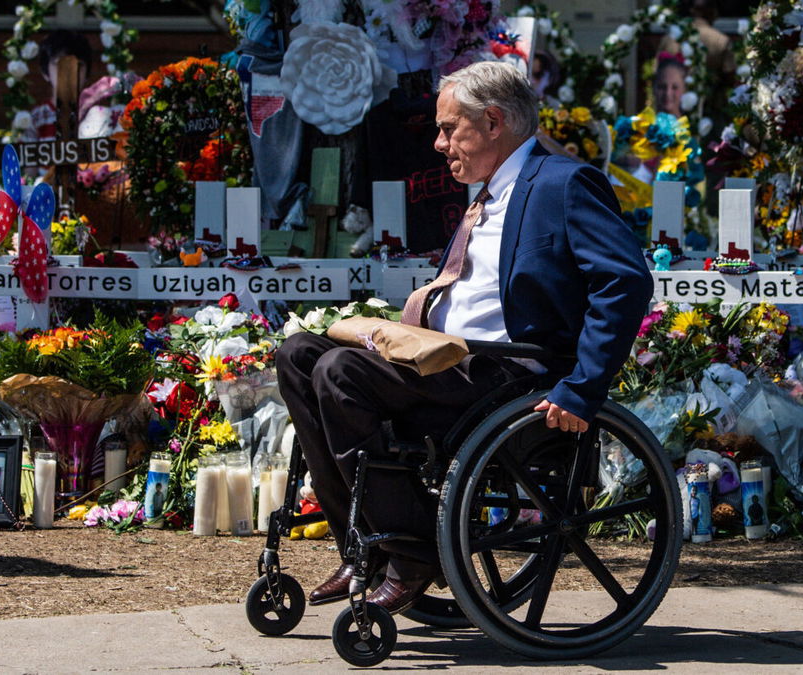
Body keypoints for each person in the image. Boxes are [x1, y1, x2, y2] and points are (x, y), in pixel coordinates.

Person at [277, 61, 652, 615]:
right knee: (299, 354)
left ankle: (411, 552)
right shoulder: (487, 196)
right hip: (449, 365)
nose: (438, 142)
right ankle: (363, 548)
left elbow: (624, 280)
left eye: (450, 128)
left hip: (510, 377)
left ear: (494, 121)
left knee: (341, 371)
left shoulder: (563, 183)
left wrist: (583, 387)